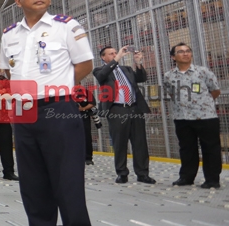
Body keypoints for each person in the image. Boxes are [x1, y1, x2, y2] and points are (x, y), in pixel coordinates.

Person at [0, 0, 93, 226]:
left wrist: (60, 86)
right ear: (18, 1)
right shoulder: (9, 34)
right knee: (32, 177)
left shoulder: (66, 26)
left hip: (59, 107)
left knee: (66, 177)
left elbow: (86, 64)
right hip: (24, 110)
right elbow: (6, 71)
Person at [163, 43, 222, 189]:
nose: (185, 54)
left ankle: (212, 180)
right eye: (181, 51)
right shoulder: (169, 76)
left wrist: (203, 104)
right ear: (173, 57)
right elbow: (171, 93)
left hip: (205, 117)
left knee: (210, 148)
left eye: (188, 51)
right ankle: (186, 177)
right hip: (182, 118)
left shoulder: (203, 72)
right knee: (186, 148)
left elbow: (215, 91)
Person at [93, 46, 155, 184]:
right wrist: (118, 57)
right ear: (103, 57)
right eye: (111, 53)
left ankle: (142, 173)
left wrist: (138, 63)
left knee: (140, 143)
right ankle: (122, 173)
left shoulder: (126, 69)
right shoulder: (99, 70)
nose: (116, 54)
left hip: (134, 108)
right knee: (120, 143)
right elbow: (102, 76)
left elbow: (142, 78)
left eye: (116, 52)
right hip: (116, 109)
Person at [77, 90, 98, 165]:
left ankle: (88, 158)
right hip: (68, 116)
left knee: (86, 136)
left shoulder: (85, 92)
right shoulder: (66, 92)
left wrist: (82, 108)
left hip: (84, 116)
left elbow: (92, 103)